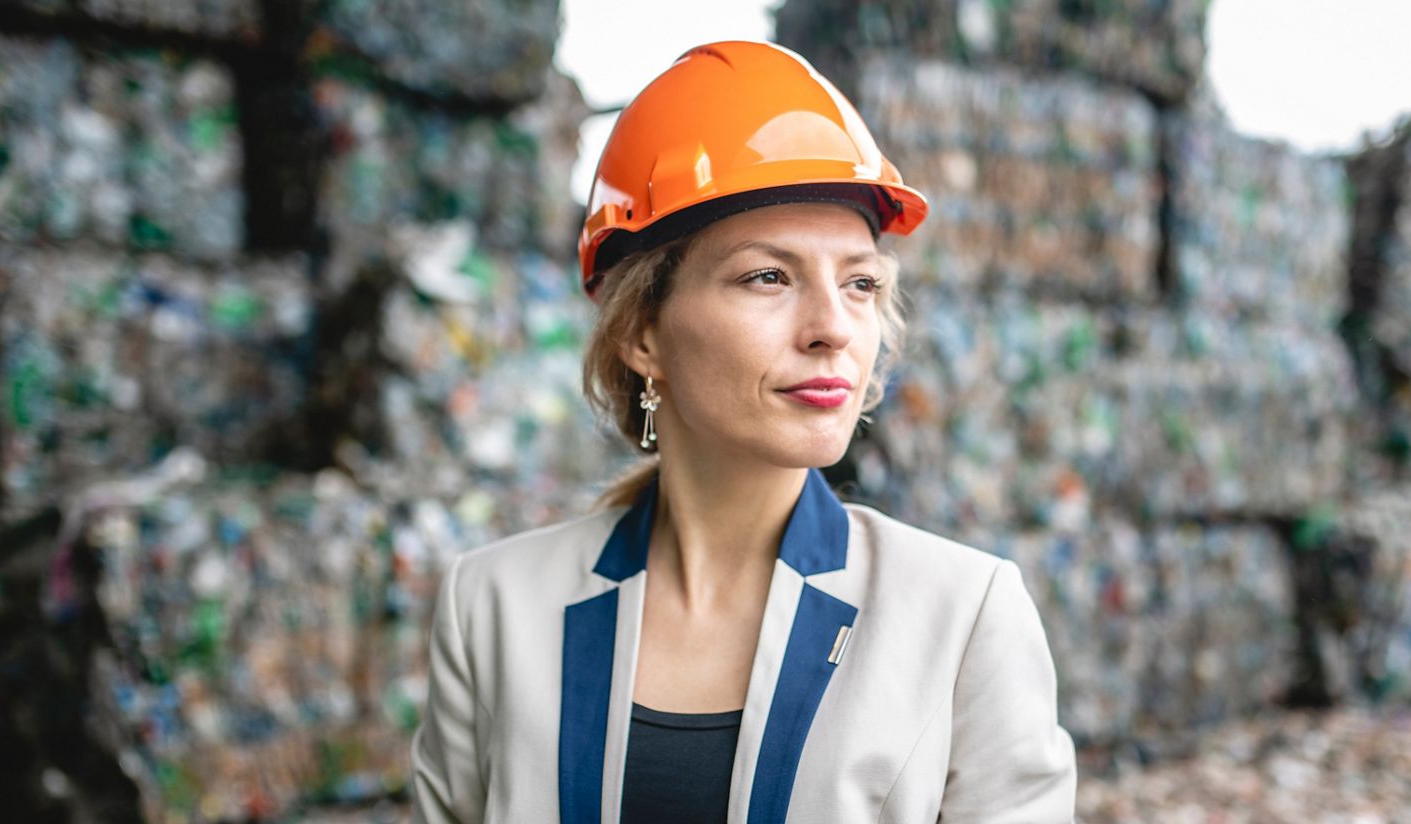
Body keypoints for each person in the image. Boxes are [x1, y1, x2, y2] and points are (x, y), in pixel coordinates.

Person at [409, 40, 1076, 824]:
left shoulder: (963, 617)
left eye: (860, 283)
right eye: (769, 276)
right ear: (644, 331)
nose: (833, 328)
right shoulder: (492, 607)